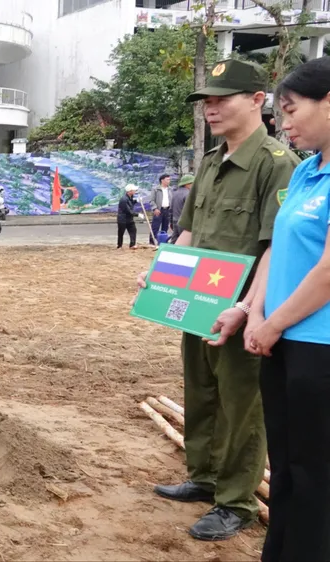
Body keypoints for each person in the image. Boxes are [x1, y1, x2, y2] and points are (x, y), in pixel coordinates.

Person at [139, 59, 299, 541]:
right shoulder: (210, 163)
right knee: (202, 393)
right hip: (199, 301)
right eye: (206, 100)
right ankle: (204, 477)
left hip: (244, 308)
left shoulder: (276, 165)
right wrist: (160, 275)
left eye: (222, 98)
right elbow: (189, 231)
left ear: (257, 101)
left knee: (241, 406)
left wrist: (250, 309)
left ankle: (236, 502)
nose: (211, 108)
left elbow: (275, 248)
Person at [241, 57, 330, 561]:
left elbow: (327, 272)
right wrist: (254, 312)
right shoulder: (305, 174)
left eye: (292, 109)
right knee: (288, 467)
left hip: (319, 348)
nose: (283, 122)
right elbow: (276, 248)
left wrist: (272, 322)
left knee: (316, 473)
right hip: (281, 342)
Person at [170, 174, 194, 241]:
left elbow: (171, 209)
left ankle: (171, 251)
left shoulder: (175, 193)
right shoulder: (188, 194)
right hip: (184, 223)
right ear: (187, 184)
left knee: (175, 240)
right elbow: (191, 210)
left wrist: (171, 222)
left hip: (175, 221)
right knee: (185, 242)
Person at [150, 174, 173, 245]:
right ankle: (152, 242)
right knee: (155, 227)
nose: (169, 181)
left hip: (167, 210)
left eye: (169, 179)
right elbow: (152, 200)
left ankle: (163, 242)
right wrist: (155, 208)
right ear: (162, 180)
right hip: (159, 210)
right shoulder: (156, 189)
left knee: (165, 227)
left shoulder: (170, 189)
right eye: (167, 179)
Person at [117, 184, 138, 249]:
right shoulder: (123, 199)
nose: (135, 191)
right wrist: (137, 214)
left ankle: (132, 245)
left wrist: (136, 201)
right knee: (121, 232)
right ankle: (119, 245)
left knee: (133, 230)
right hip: (123, 219)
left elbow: (130, 203)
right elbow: (128, 210)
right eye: (134, 190)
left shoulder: (130, 197)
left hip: (129, 219)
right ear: (130, 191)